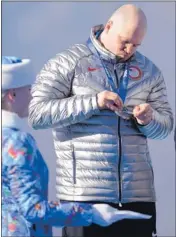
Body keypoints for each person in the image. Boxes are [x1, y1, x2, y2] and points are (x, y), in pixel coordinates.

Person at [28, 4, 173, 237]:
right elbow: (37, 115)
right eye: (124, 41)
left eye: (136, 45)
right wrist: (93, 102)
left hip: (138, 197)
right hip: (84, 199)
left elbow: (165, 127)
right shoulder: (68, 62)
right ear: (108, 26)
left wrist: (149, 118)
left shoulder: (149, 71)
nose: (128, 49)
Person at [2, 56, 151, 237]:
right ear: (12, 95)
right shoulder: (16, 142)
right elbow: (32, 209)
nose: (33, 94)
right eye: (29, 88)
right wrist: (91, 213)